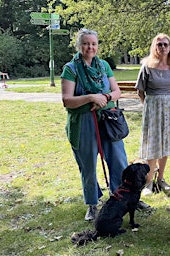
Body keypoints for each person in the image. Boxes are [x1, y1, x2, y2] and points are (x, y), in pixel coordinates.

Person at [61, 28, 128, 221]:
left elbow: (116, 92)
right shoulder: (71, 69)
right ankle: (92, 203)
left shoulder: (104, 66)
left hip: (108, 120)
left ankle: (121, 197)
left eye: (93, 44)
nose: (90, 47)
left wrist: (105, 97)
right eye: (86, 43)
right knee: (88, 165)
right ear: (79, 45)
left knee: (118, 160)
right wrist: (90, 97)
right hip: (83, 123)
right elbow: (67, 100)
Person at [135, 33, 170, 196]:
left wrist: (167, 104)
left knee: (165, 144)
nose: (163, 47)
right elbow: (140, 91)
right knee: (153, 145)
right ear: (154, 47)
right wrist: (152, 106)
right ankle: (148, 181)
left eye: (166, 44)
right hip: (153, 109)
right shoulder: (147, 67)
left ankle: (161, 178)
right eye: (159, 44)